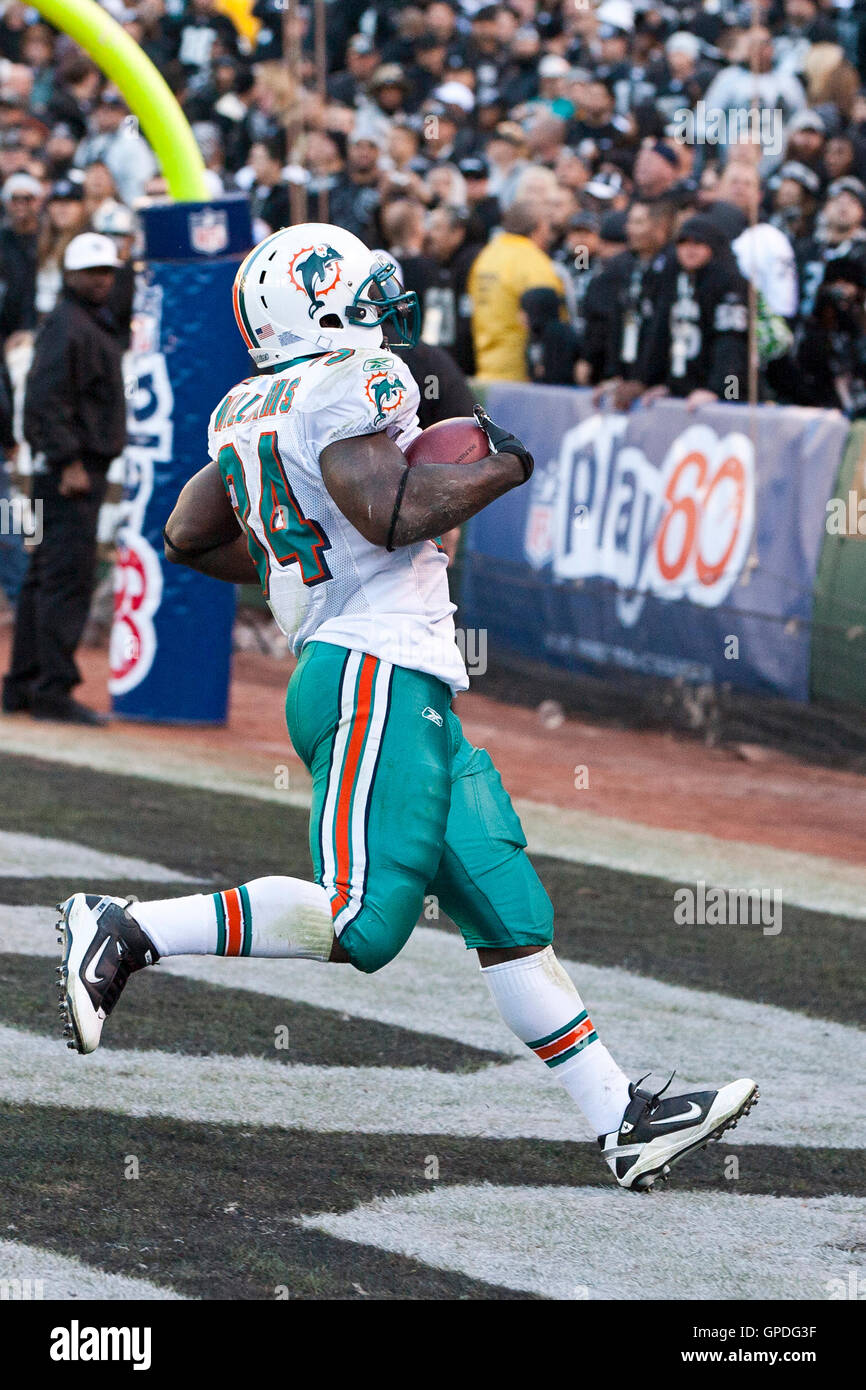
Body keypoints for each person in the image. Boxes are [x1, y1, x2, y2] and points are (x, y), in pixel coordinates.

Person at [55, 220, 758, 1193]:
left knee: (508, 905)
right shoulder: (353, 376)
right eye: (359, 287)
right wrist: (500, 465)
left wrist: (297, 559)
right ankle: (127, 926)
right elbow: (390, 511)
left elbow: (186, 532)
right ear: (321, 299)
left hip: (389, 673)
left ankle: (622, 1117)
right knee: (362, 921)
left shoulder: (251, 401)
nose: (383, 307)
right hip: (372, 668)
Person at [2, 232, 125, 725]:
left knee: (43, 579)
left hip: (68, 469)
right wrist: (68, 459)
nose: (102, 280)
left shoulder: (84, 322)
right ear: (70, 275)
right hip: (70, 474)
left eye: (107, 272)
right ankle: (52, 689)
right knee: (66, 580)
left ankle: (22, 685)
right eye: (92, 272)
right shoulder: (69, 326)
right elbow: (44, 402)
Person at [468, 199, 564, 380]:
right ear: (539, 227)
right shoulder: (534, 261)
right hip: (519, 376)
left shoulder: (486, 256)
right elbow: (550, 321)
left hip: (485, 370)